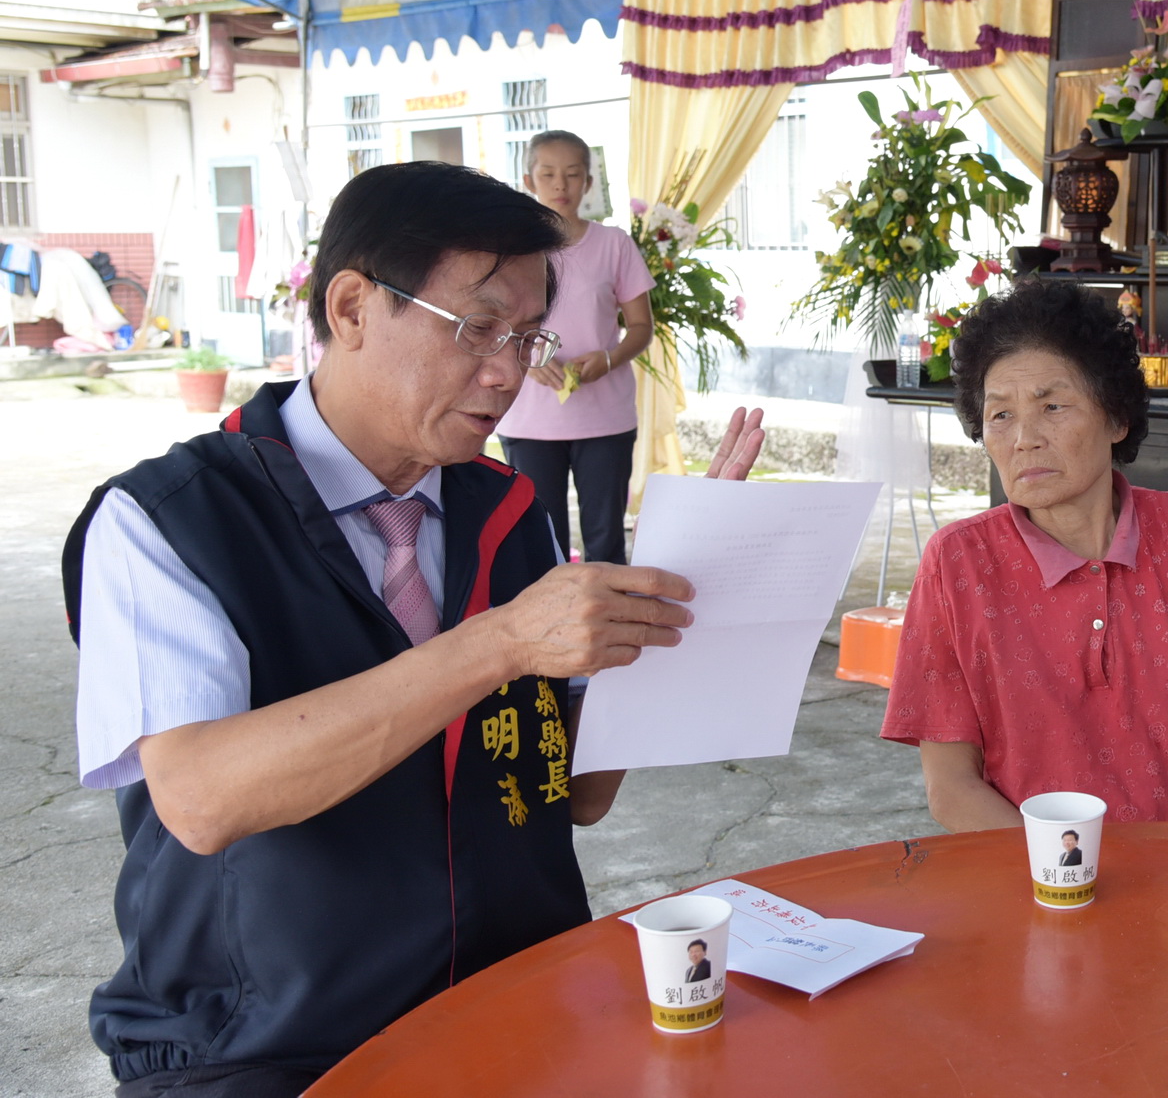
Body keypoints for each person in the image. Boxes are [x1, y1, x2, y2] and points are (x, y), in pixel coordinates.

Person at [64, 161, 765, 1097]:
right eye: (477, 328)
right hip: (268, 1048)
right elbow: (200, 799)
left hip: (514, 1005)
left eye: (526, 337)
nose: (510, 372)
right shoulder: (174, 520)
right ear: (351, 307)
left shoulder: (509, 508)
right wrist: (503, 641)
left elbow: (578, 791)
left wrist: (674, 597)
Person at [881, 280, 1168, 828]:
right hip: (1043, 883)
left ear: (1116, 419)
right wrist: (1065, 877)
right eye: (1000, 415)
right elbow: (951, 785)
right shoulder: (958, 562)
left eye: (1052, 406)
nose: (1024, 436)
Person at [497, 129, 656, 564]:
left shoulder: (613, 245)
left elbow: (642, 327)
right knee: (537, 539)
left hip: (604, 419)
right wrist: (528, 362)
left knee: (605, 541)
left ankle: (612, 628)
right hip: (530, 418)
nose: (560, 185)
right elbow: (490, 326)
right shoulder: (509, 250)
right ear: (529, 181)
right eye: (547, 174)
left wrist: (609, 359)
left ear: (588, 182)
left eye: (572, 174)